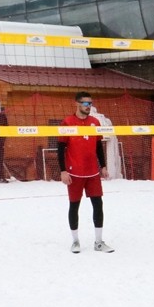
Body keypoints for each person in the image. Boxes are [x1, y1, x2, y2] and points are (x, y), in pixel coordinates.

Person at [57, 91, 112, 254]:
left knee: (98, 204)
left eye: (91, 103)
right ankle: (75, 241)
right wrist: (63, 171)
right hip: (74, 173)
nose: (89, 106)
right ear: (77, 103)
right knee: (74, 206)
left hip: (92, 172)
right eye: (86, 103)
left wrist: (103, 166)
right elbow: (60, 149)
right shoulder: (67, 122)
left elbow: (98, 147)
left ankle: (99, 242)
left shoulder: (95, 122)